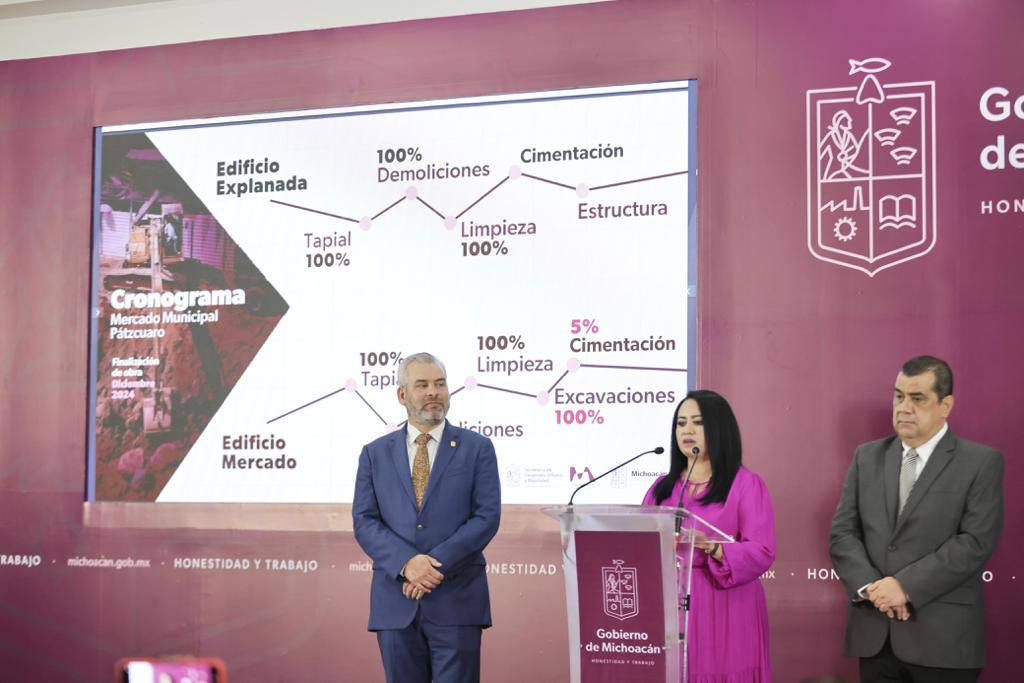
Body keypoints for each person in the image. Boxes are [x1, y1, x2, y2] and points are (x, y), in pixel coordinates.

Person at [829, 355, 1004, 682]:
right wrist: (873, 589)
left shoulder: (981, 462)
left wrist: (904, 586)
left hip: (944, 643)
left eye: (918, 398)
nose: (904, 408)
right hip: (876, 638)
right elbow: (843, 534)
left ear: (945, 405)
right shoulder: (866, 457)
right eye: (899, 396)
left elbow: (975, 542)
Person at [353, 352, 501, 683]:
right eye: (422, 385)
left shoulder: (477, 448)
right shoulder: (374, 454)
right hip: (396, 602)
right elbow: (364, 521)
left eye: (440, 384)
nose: (433, 392)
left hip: (457, 600)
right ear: (402, 394)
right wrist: (407, 564)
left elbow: (486, 517)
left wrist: (431, 567)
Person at [642, 390, 775, 682]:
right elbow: (642, 544)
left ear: (718, 429)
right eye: (681, 423)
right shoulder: (661, 489)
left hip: (728, 605)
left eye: (697, 422)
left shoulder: (746, 485)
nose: (687, 430)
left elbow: (762, 551)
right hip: (672, 603)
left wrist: (711, 546)